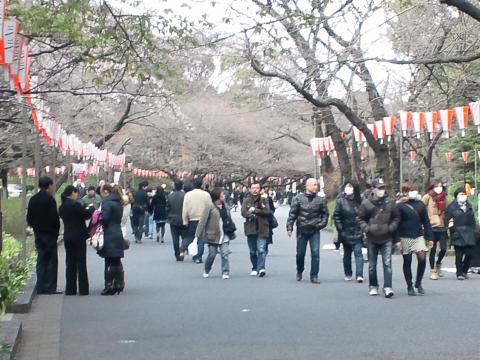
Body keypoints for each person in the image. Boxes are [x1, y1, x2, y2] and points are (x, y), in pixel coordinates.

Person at [358, 178, 400, 298]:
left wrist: (390, 228)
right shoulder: (366, 203)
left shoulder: (390, 202)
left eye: (383, 188)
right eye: (379, 188)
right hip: (372, 238)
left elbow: (396, 217)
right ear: (373, 189)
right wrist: (367, 228)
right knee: (372, 265)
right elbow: (360, 218)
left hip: (386, 237)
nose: (382, 190)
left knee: (387, 263)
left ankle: (388, 287)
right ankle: (373, 286)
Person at [287, 178, 329, 284]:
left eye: (317, 185)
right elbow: (292, 214)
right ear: (307, 186)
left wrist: (320, 225)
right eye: (314, 185)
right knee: (300, 254)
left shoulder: (320, 200)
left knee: (315, 253)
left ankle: (314, 275)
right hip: (302, 229)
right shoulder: (298, 199)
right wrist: (289, 227)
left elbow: (325, 215)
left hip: (314, 230)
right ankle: (299, 271)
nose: (316, 187)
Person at [396, 184, 433, 296]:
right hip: (404, 235)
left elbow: (426, 222)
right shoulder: (400, 206)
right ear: (404, 192)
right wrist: (397, 240)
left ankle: (419, 282)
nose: (412, 192)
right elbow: (396, 223)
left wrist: (429, 237)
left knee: (422, 258)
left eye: (414, 190)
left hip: (418, 235)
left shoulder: (420, 205)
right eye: (409, 191)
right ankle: (409, 285)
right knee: (407, 261)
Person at [26, 176, 61, 295]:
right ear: (49, 186)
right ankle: (50, 287)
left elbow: (29, 218)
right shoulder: (50, 200)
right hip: (50, 234)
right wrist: (56, 231)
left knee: (41, 260)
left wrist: (35, 227)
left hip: (38, 233)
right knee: (51, 260)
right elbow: (54, 218)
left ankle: (40, 286)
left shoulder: (33, 199)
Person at [59, 185, 95, 296]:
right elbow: (86, 214)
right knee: (81, 262)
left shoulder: (62, 206)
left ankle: (70, 289)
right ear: (73, 193)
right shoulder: (75, 205)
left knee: (70, 262)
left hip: (68, 236)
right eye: (76, 193)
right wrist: (91, 209)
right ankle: (83, 289)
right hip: (79, 236)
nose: (77, 195)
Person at [197, 187, 236, 279]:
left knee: (225, 254)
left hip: (225, 233)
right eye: (222, 194)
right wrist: (198, 234)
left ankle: (225, 272)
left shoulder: (225, 206)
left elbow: (229, 218)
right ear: (217, 196)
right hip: (212, 234)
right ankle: (207, 269)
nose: (224, 196)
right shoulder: (209, 207)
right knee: (212, 254)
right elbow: (203, 221)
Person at [333, 181, 364, 283]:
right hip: (345, 231)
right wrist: (341, 229)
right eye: (346, 186)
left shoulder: (360, 201)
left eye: (350, 186)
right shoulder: (340, 201)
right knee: (347, 254)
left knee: (358, 252)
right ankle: (348, 273)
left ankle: (359, 274)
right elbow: (336, 216)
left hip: (357, 230)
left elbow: (365, 215)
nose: (348, 188)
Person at [98, 184, 125, 295]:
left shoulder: (107, 203)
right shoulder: (119, 203)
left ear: (105, 192)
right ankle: (118, 284)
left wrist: (98, 215)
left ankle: (109, 285)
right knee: (116, 260)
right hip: (117, 232)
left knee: (109, 260)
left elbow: (105, 218)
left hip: (108, 233)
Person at [445, 188, 477, 280]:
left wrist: (474, 230)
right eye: (461, 194)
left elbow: (472, 219)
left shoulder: (468, 205)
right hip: (457, 232)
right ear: (457, 195)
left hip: (469, 231)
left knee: (469, 253)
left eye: (464, 194)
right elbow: (447, 219)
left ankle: (465, 270)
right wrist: (451, 228)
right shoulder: (452, 207)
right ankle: (459, 273)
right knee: (459, 254)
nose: (463, 195)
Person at [242, 182, 272, 277]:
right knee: (252, 250)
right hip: (250, 228)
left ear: (260, 189)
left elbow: (268, 211)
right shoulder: (246, 200)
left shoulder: (264, 200)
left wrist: (255, 210)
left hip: (263, 227)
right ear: (250, 189)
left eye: (257, 188)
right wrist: (251, 214)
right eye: (253, 188)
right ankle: (254, 267)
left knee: (261, 249)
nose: (255, 190)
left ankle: (261, 268)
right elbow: (244, 213)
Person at [180, 178, 211, 263]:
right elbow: (209, 207)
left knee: (189, 237)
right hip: (203, 219)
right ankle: (198, 257)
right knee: (201, 239)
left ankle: (182, 250)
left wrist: (185, 220)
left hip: (192, 219)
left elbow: (184, 209)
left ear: (193, 185)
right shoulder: (206, 195)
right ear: (201, 185)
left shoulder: (188, 195)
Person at [422, 180, 448, 280]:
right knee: (432, 249)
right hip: (431, 227)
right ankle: (432, 270)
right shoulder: (428, 196)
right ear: (433, 187)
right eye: (437, 186)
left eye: (441, 186)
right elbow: (420, 207)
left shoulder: (445, 197)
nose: (439, 188)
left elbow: (447, 209)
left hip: (442, 226)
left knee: (444, 249)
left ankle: (438, 264)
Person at [167, 180, 186, 261]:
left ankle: (177, 254)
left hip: (173, 219)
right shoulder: (185, 195)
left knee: (175, 238)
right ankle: (182, 251)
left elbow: (167, 207)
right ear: (182, 186)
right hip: (183, 218)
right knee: (185, 237)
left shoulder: (170, 196)